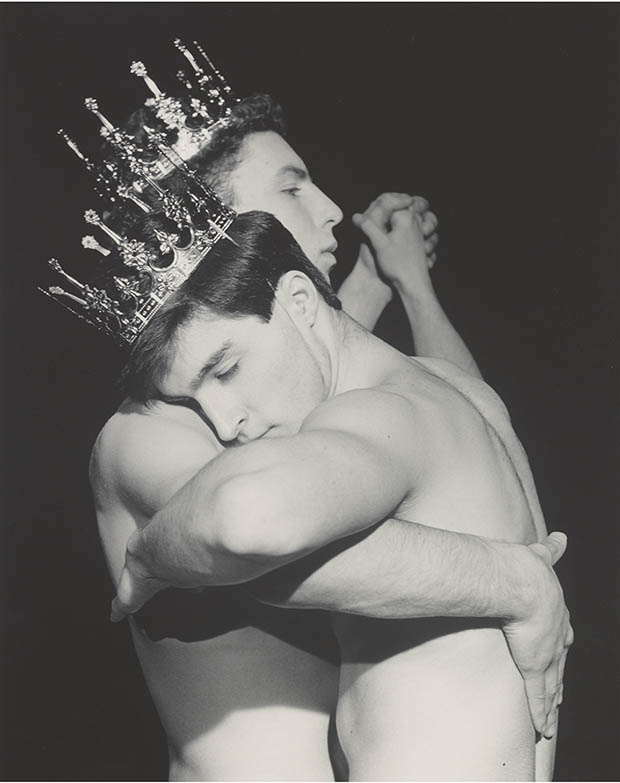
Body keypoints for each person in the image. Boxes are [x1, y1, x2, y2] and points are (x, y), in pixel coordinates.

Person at [91, 97, 570, 780]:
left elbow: (466, 433)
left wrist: (401, 285)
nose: (329, 209)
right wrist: (518, 583)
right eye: (290, 186)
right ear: (211, 226)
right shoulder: (149, 432)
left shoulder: (309, 401)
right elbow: (254, 545)